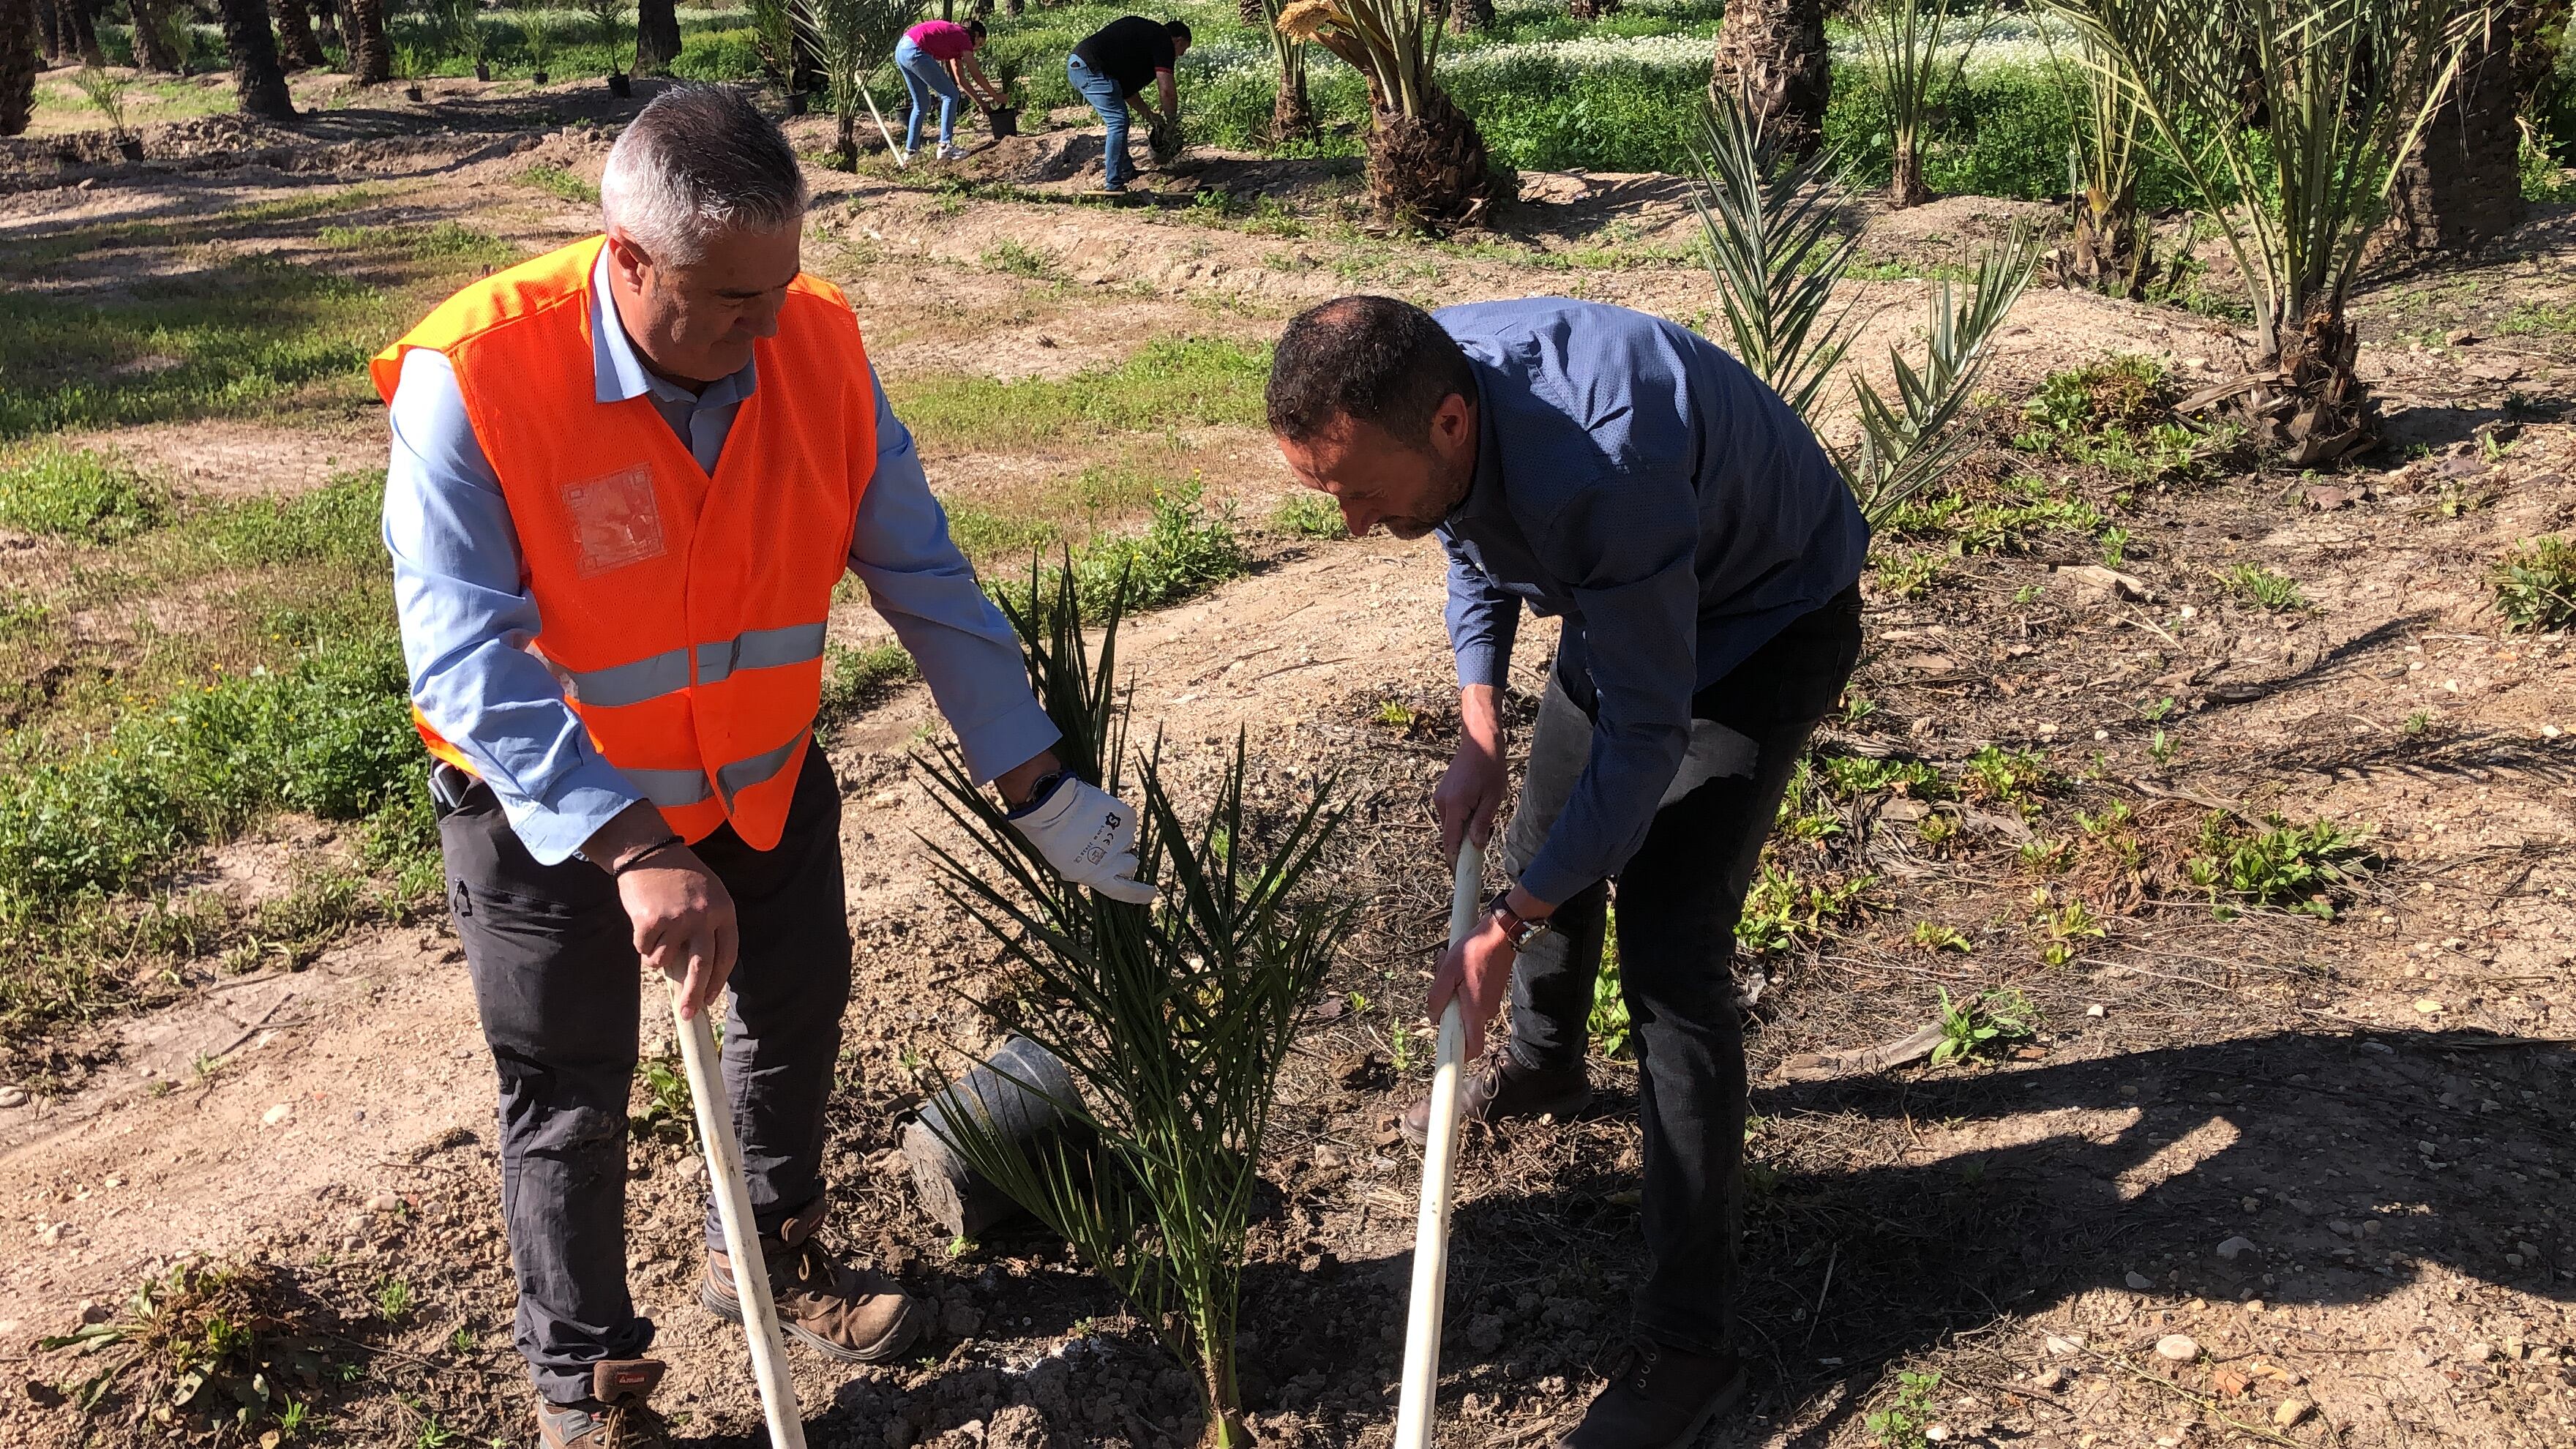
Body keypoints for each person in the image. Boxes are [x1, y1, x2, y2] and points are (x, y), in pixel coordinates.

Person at [377, 86, 1155, 1449]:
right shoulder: (480, 375)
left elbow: (919, 570)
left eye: (781, 286)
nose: (766, 326)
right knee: (569, 1090)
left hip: (760, 782)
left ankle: (780, 1256)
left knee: (794, 1018)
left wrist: (1034, 780)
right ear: (626, 258)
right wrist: (631, 848)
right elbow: (464, 658)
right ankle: (589, 1379)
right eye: (732, 299)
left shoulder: (818, 346)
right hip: (552, 812)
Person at [1264, 295, 1868, 1449]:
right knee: (1553, 820)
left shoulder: (1599, 464)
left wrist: (1507, 917)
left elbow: (1649, 738)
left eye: (1350, 489)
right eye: (1321, 489)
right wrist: (1479, 721)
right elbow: (1462, 532)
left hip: (1769, 613)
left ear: (1448, 421)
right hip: (1629, 591)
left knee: (1670, 956)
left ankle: (1690, 1347)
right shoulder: (1421, 383)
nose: (1344, 522)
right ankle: (1544, 1069)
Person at [1065, 15, 1189, 194]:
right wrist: (1172, 123)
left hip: (1081, 65)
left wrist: (1149, 115)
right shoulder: (1162, 41)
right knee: (1118, 121)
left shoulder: (1144, 44)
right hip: (1090, 68)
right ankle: (1113, 185)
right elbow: (1167, 91)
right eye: (1182, 50)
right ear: (1178, 40)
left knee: (1120, 119)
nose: (1180, 56)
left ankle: (1126, 171)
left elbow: (1126, 90)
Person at [895, 16, 1005, 162]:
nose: (977, 49)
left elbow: (961, 80)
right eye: (980, 44)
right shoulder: (964, 37)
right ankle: (945, 147)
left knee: (922, 103)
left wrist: (981, 103)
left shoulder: (954, 38)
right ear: (976, 35)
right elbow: (976, 75)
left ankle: (911, 152)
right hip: (916, 50)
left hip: (902, 50)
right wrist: (997, 97)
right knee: (950, 95)